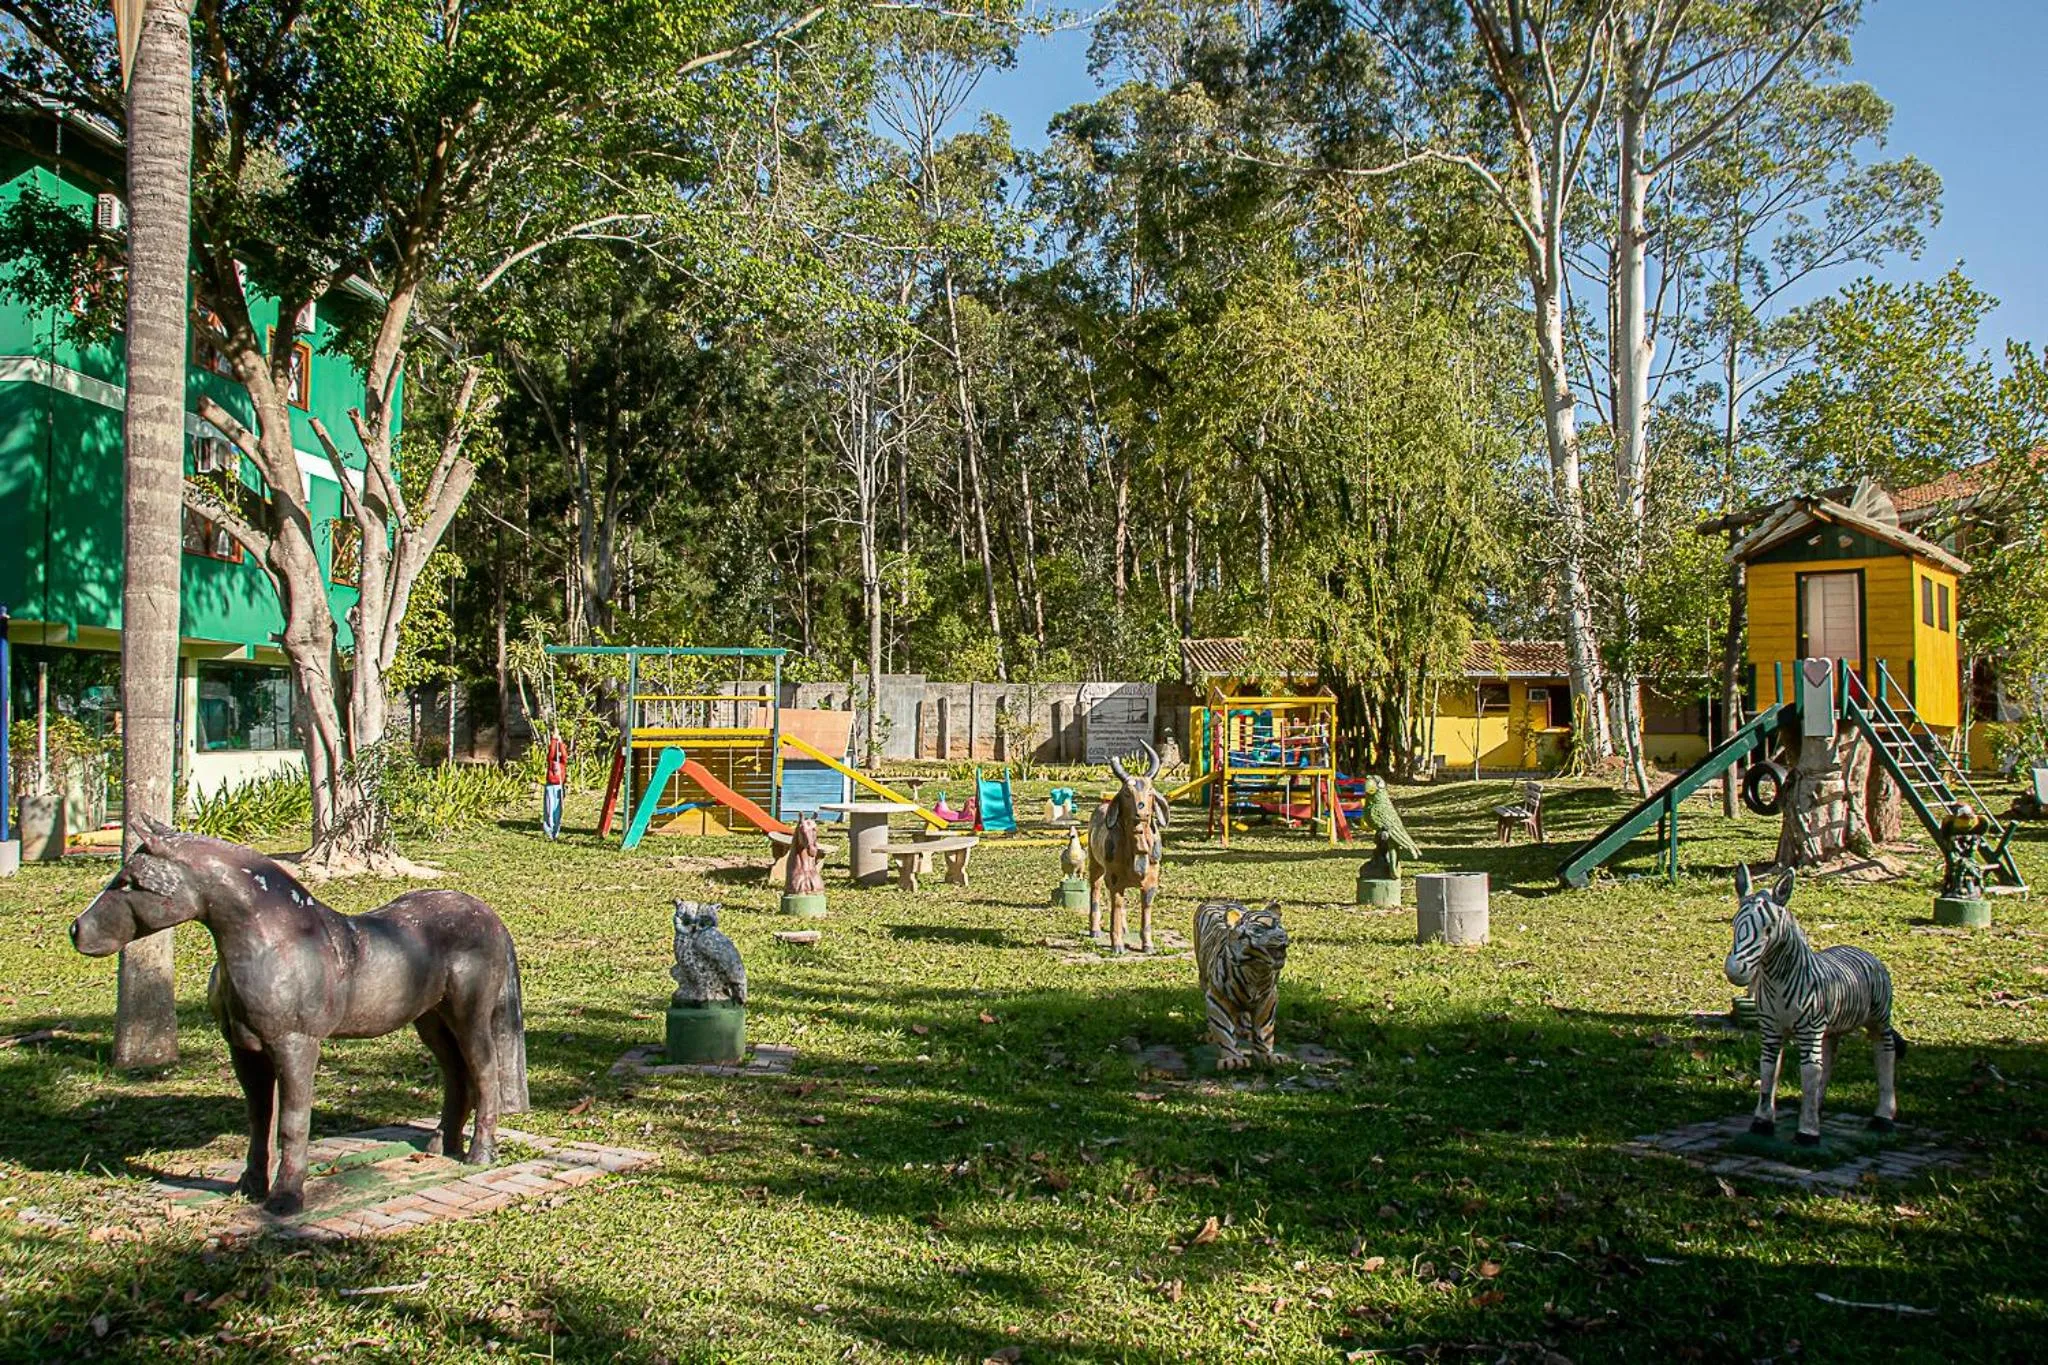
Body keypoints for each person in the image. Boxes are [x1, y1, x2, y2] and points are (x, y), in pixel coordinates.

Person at [541, 728, 569, 839]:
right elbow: (551, 753)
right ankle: (548, 830)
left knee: (558, 810)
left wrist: (560, 742)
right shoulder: (551, 761)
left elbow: (565, 755)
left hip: (559, 787)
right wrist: (553, 739)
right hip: (550, 786)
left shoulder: (562, 762)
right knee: (549, 809)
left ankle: (556, 831)